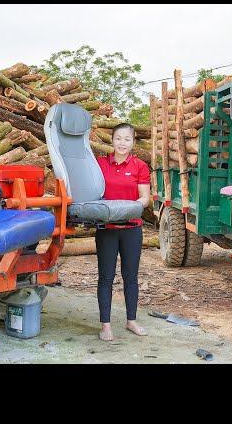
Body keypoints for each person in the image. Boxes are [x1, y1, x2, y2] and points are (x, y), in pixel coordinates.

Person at [94, 123, 151, 341]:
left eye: (127, 139)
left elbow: (144, 199)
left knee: (131, 277)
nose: (122, 143)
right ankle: (106, 325)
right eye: (118, 138)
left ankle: (131, 321)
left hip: (131, 228)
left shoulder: (140, 166)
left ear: (133, 142)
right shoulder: (100, 164)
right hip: (107, 229)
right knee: (106, 277)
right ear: (112, 140)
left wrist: (127, 209)